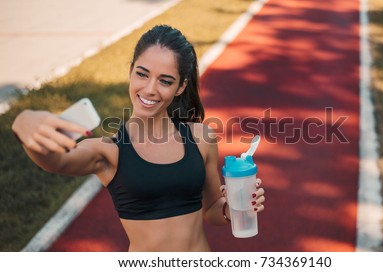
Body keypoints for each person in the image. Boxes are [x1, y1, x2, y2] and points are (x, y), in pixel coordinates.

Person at [11, 25, 266, 252]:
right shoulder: (108, 151)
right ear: (131, 71)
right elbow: (55, 161)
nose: (150, 89)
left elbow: (211, 210)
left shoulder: (202, 137)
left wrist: (234, 208)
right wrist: (23, 121)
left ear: (180, 87)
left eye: (165, 81)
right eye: (142, 74)